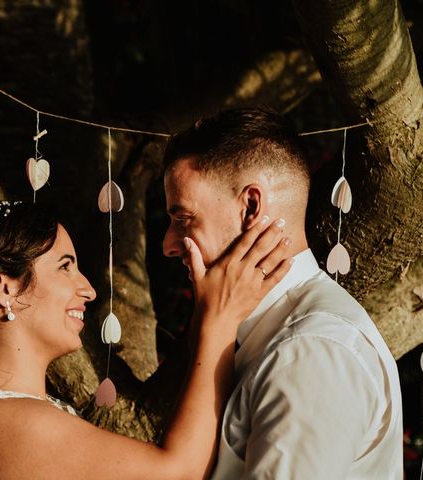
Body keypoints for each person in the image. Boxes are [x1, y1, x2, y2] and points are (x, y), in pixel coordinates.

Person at [0, 199, 291, 479]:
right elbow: (178, 473)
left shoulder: (5, 414)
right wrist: (218, 319)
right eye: (66, 266)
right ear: (4, 285)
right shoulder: (10, 422)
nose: (89, 290)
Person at [161, 106, 404, 479]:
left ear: (250, 207)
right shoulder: (270, 336)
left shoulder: (310, 350)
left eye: (183, 220)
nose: (169, 245)